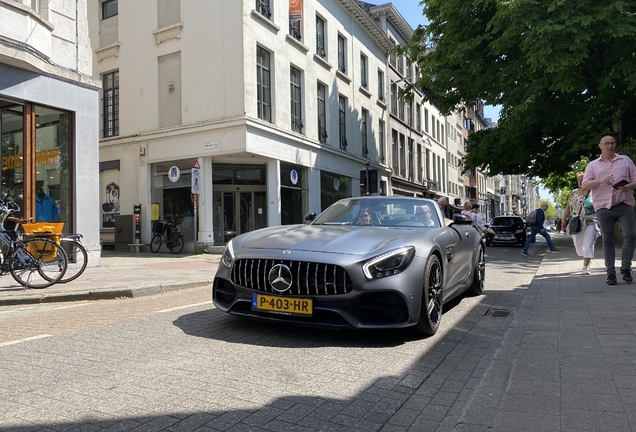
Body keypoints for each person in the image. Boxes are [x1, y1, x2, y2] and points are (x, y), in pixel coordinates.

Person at [582, 134, 636, 285]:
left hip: (624, 203)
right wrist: (600, 180)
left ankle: (626, 268)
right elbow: (585, 185)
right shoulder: (593, 165)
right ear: (600, 146)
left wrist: (629, 186)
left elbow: (635, 180)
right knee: (608, 239)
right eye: (607, 143)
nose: (610, 146)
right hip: (603, 207)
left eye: (612, 143)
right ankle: (610, 273)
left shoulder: (625, 160)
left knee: (631, 235)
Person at [562, 172, 599, 275]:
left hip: (590, 221)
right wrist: (563, 220)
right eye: (578, 179)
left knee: (588, 244)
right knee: (578, 247)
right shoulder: (573, 193)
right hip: (576, 222)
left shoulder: (594, 192)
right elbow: (568, 208)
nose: (580, 181)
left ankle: (586, 266)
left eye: (583, 179)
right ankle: (587, 258)